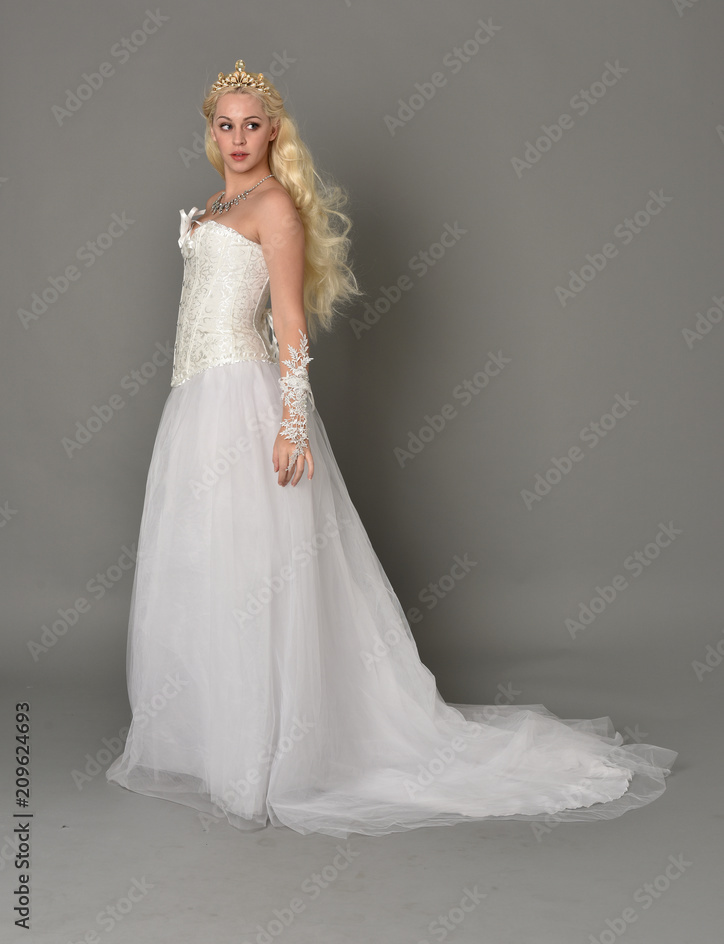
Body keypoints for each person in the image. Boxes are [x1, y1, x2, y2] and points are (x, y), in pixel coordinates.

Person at [106, 59, 677, 838]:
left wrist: (292, 423)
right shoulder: (217, 203)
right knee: (210, 564)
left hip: (242, 399)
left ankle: (268, 757)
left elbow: (289, 325)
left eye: (251, 123)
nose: (237, 137)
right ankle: (219, 743)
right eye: (224, 124)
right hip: (195, 401)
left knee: (252, 571)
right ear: (210, 131)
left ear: (274, 131)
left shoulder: (273, 206)